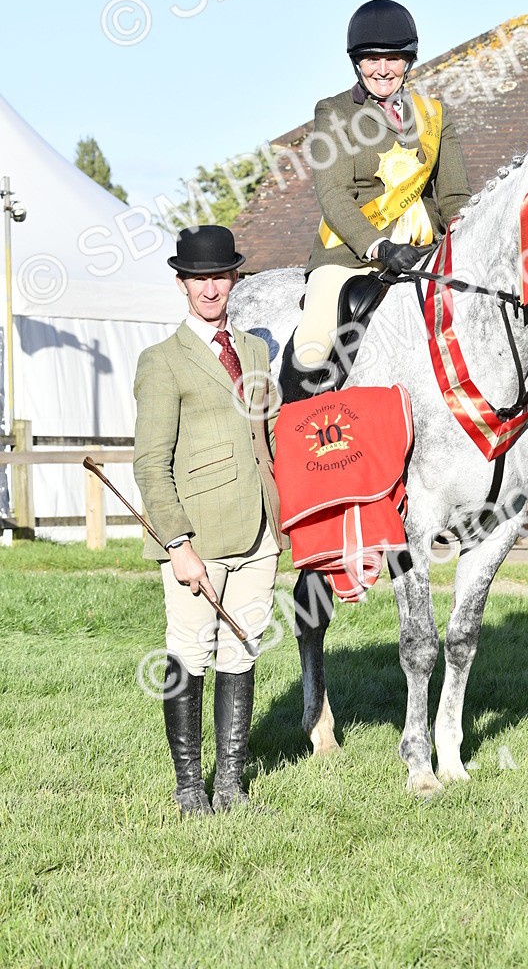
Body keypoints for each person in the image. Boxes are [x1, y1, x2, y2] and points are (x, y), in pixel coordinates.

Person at [133, 225, 287, 817]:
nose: (210, 289)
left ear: (233, 280)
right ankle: (189, 788)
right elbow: (150, 463)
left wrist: (286, 519)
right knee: (190, 653)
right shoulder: (161, 362)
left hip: (259, 533)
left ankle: (230, 787)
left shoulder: (254, 351)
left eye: (219, 277)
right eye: (199, 279)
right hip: (194, 537)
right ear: (182, 284)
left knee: (241, 653)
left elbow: (267, 434)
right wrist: (176, 542)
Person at [279, 0, 471, 401]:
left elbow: (454, 196)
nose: (383, 69)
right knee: (314, 341)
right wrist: (379, 245)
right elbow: (332, 193)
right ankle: (291, 436)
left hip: (425, 253)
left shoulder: (435, 115)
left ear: (409, 61)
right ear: (356, 62)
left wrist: (465, 239)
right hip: (351, 254)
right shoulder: (333, 113)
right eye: (371, 59)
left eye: (393, 58)